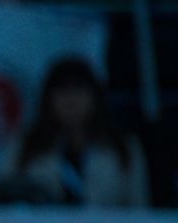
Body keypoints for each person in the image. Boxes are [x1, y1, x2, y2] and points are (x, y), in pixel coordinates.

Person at [15, 56, 150, 208]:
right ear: (48, 99)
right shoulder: (25, 146)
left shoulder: (124, 147)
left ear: (95, 97)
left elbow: (139, 209)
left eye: (78, 90)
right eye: (62, 91)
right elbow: (5, 202)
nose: (70, 99)